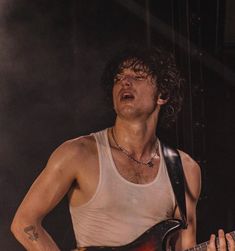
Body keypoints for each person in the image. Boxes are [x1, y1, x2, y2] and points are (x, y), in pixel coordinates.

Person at [11, 47, 235, 251]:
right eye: (119, 78)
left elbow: (184, 245)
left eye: (137, 76)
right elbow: (24, 222)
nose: (125, 82)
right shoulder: (77, 153)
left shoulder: (185, 169)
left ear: (162, 95)